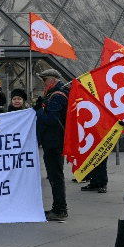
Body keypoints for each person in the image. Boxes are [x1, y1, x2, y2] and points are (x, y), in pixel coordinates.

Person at [35, 69, 69, 221]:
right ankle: (59, 208)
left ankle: (59, 209)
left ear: (53, 81)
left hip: (54, 142)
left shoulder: (56, 97)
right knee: (55, 176)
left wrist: (39, 110)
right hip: (52, 141)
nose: (43, 83)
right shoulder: (53, 95)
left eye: (45, 80)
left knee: (56, 176)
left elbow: (50, 119)